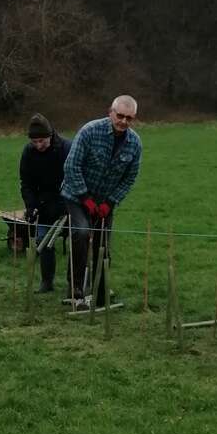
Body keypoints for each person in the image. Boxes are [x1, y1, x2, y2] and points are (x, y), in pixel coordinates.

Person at [60, 95, 142, 311]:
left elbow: (130, 178)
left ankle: (100, 289)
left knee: (102, 244)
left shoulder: (135, 143)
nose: (124, 121)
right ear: (110, 112)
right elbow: (71, 166)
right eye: (120, 116)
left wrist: (110, 202)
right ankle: (75, 289)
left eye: (129, 118)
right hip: (76, 196)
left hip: (105, 201)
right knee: (81, 233)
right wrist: (85, 198)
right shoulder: (89, 131)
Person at [19, 113, 71, 293]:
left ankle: (75, 284)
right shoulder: (28, 152)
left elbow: (75, 179)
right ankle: (47, 282)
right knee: (43, 241)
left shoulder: (66, 148)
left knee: (75, 242)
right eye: (35, 142)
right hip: (43, 205)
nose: (38, 145)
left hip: (68, 204)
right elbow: (26, 184)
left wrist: (67, 205)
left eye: (42, 141)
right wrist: (31, 206)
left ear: (50, 136)